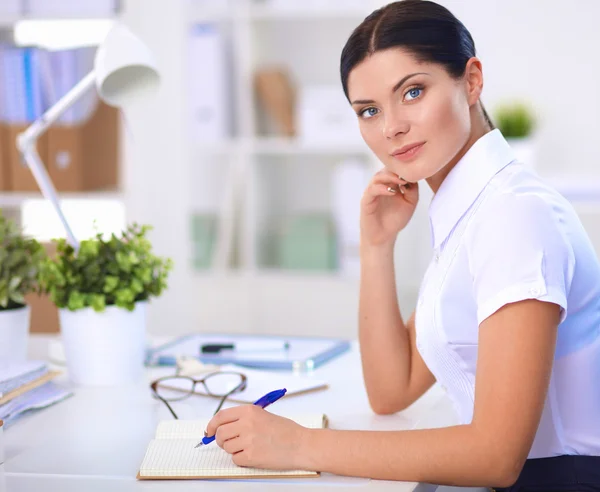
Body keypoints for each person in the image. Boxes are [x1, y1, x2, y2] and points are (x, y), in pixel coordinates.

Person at [205, 1, 600, 490]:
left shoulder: (513, 216)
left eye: (412, 92)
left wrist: (298, 444)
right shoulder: (471, 210)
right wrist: (376, 245)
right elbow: (393, 389)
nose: (390, 126)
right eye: (369, 110)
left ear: (471, 81)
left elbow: (496, 455)